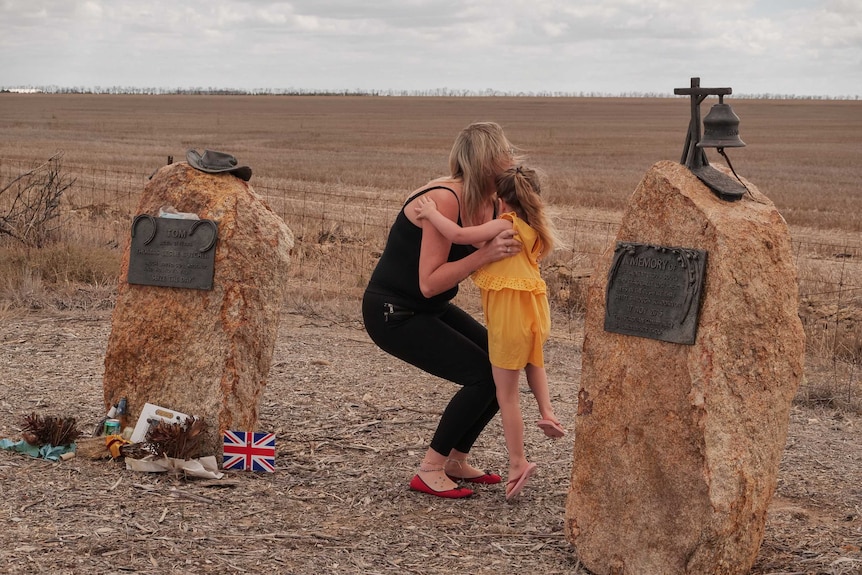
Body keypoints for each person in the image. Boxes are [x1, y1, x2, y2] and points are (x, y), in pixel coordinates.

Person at [362, 122, 520, 499]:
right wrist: (485, 254)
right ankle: (430, 469)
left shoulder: (491, 201)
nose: (512, 158)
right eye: (506, 152)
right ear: (488, 160)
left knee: (501, 364)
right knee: (483, 374)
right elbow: (430, 282)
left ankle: (455, 460)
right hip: (393, 312)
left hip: (429, 308)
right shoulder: (445, 200)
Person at [414, 165, 564, 501]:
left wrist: (431, 213)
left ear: (504, 200)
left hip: (510, 319)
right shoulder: (533, 231)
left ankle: (518, 462)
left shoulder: (506, 224)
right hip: (534, 315)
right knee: (533, 364)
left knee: (506, 395)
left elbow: (460, 236)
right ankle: (548, 413)